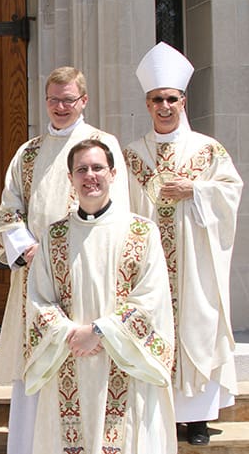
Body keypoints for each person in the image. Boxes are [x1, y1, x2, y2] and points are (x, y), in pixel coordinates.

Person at [0, 66, 129, 453]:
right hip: (35, 276)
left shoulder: (102, 145)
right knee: (36, 365)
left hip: (88, 274)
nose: (60, 107)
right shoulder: (29, 151)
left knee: (82, 360)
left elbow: (119, 211)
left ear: (83, 100)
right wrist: (26, 248)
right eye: (53, 100)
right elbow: (8, 208)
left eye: (68, 99)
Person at [123, 42, 243, 446]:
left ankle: (196, 419)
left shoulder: (207, 150)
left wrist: (196, 189)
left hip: (195, 261)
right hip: (152, 262)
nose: (164, 106)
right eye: (157, 99)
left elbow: (231, 191)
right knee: (153, 326)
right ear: (147, 102)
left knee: (198, 326)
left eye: (171, 99)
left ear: (183, 100)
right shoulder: (132, 155)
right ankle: (162, 414)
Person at [24, 139, 176, 454]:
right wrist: (69, 333)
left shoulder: (142, 232)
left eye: (97, 168)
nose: (90, 176)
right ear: (71, 179)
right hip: (69, 355)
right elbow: (39, 298)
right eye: (81, 169)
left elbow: (152, 298)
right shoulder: (54, 237)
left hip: (123, 359)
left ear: (113, 173)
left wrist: (99, 331)